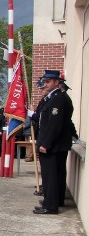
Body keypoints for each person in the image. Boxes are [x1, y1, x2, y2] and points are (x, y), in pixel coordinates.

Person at [32, 70, 74, 215]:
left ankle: (50, 205)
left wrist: (46, 144)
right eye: (45, 81)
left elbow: (54, 125)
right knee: (55, 175)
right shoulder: (53, 98)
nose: (45, 84)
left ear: (57, 82)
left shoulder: (58, 98)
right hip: (55, 144)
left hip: (53, 146)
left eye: (48, 81)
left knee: (51, 176)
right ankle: (54, 200)